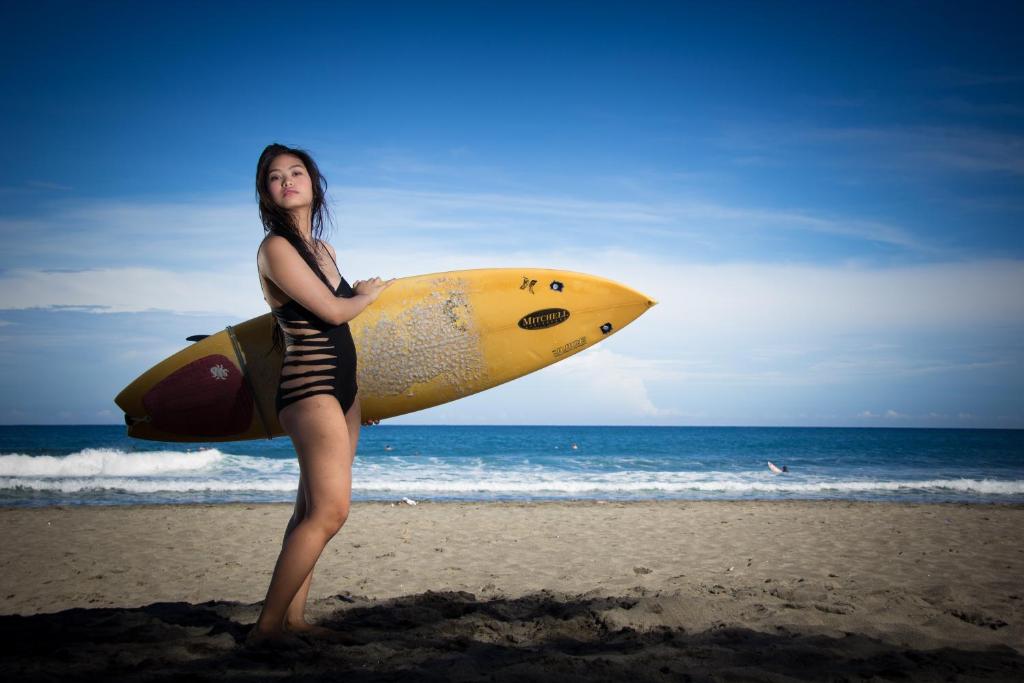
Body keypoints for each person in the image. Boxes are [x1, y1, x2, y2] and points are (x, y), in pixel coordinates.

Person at [248, 143, 391, 646]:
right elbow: (333, 314)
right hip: (309, 389)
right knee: (331, 512)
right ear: (265, 192)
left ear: (314, 182)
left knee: (308, 512)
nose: (287, 181)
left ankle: (294, 619)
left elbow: (341, 325)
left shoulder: (324, 250)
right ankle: (265, 629)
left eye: (296, 172)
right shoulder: (276, 249)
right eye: (274, 176)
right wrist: (365, 296)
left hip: (344, 390)